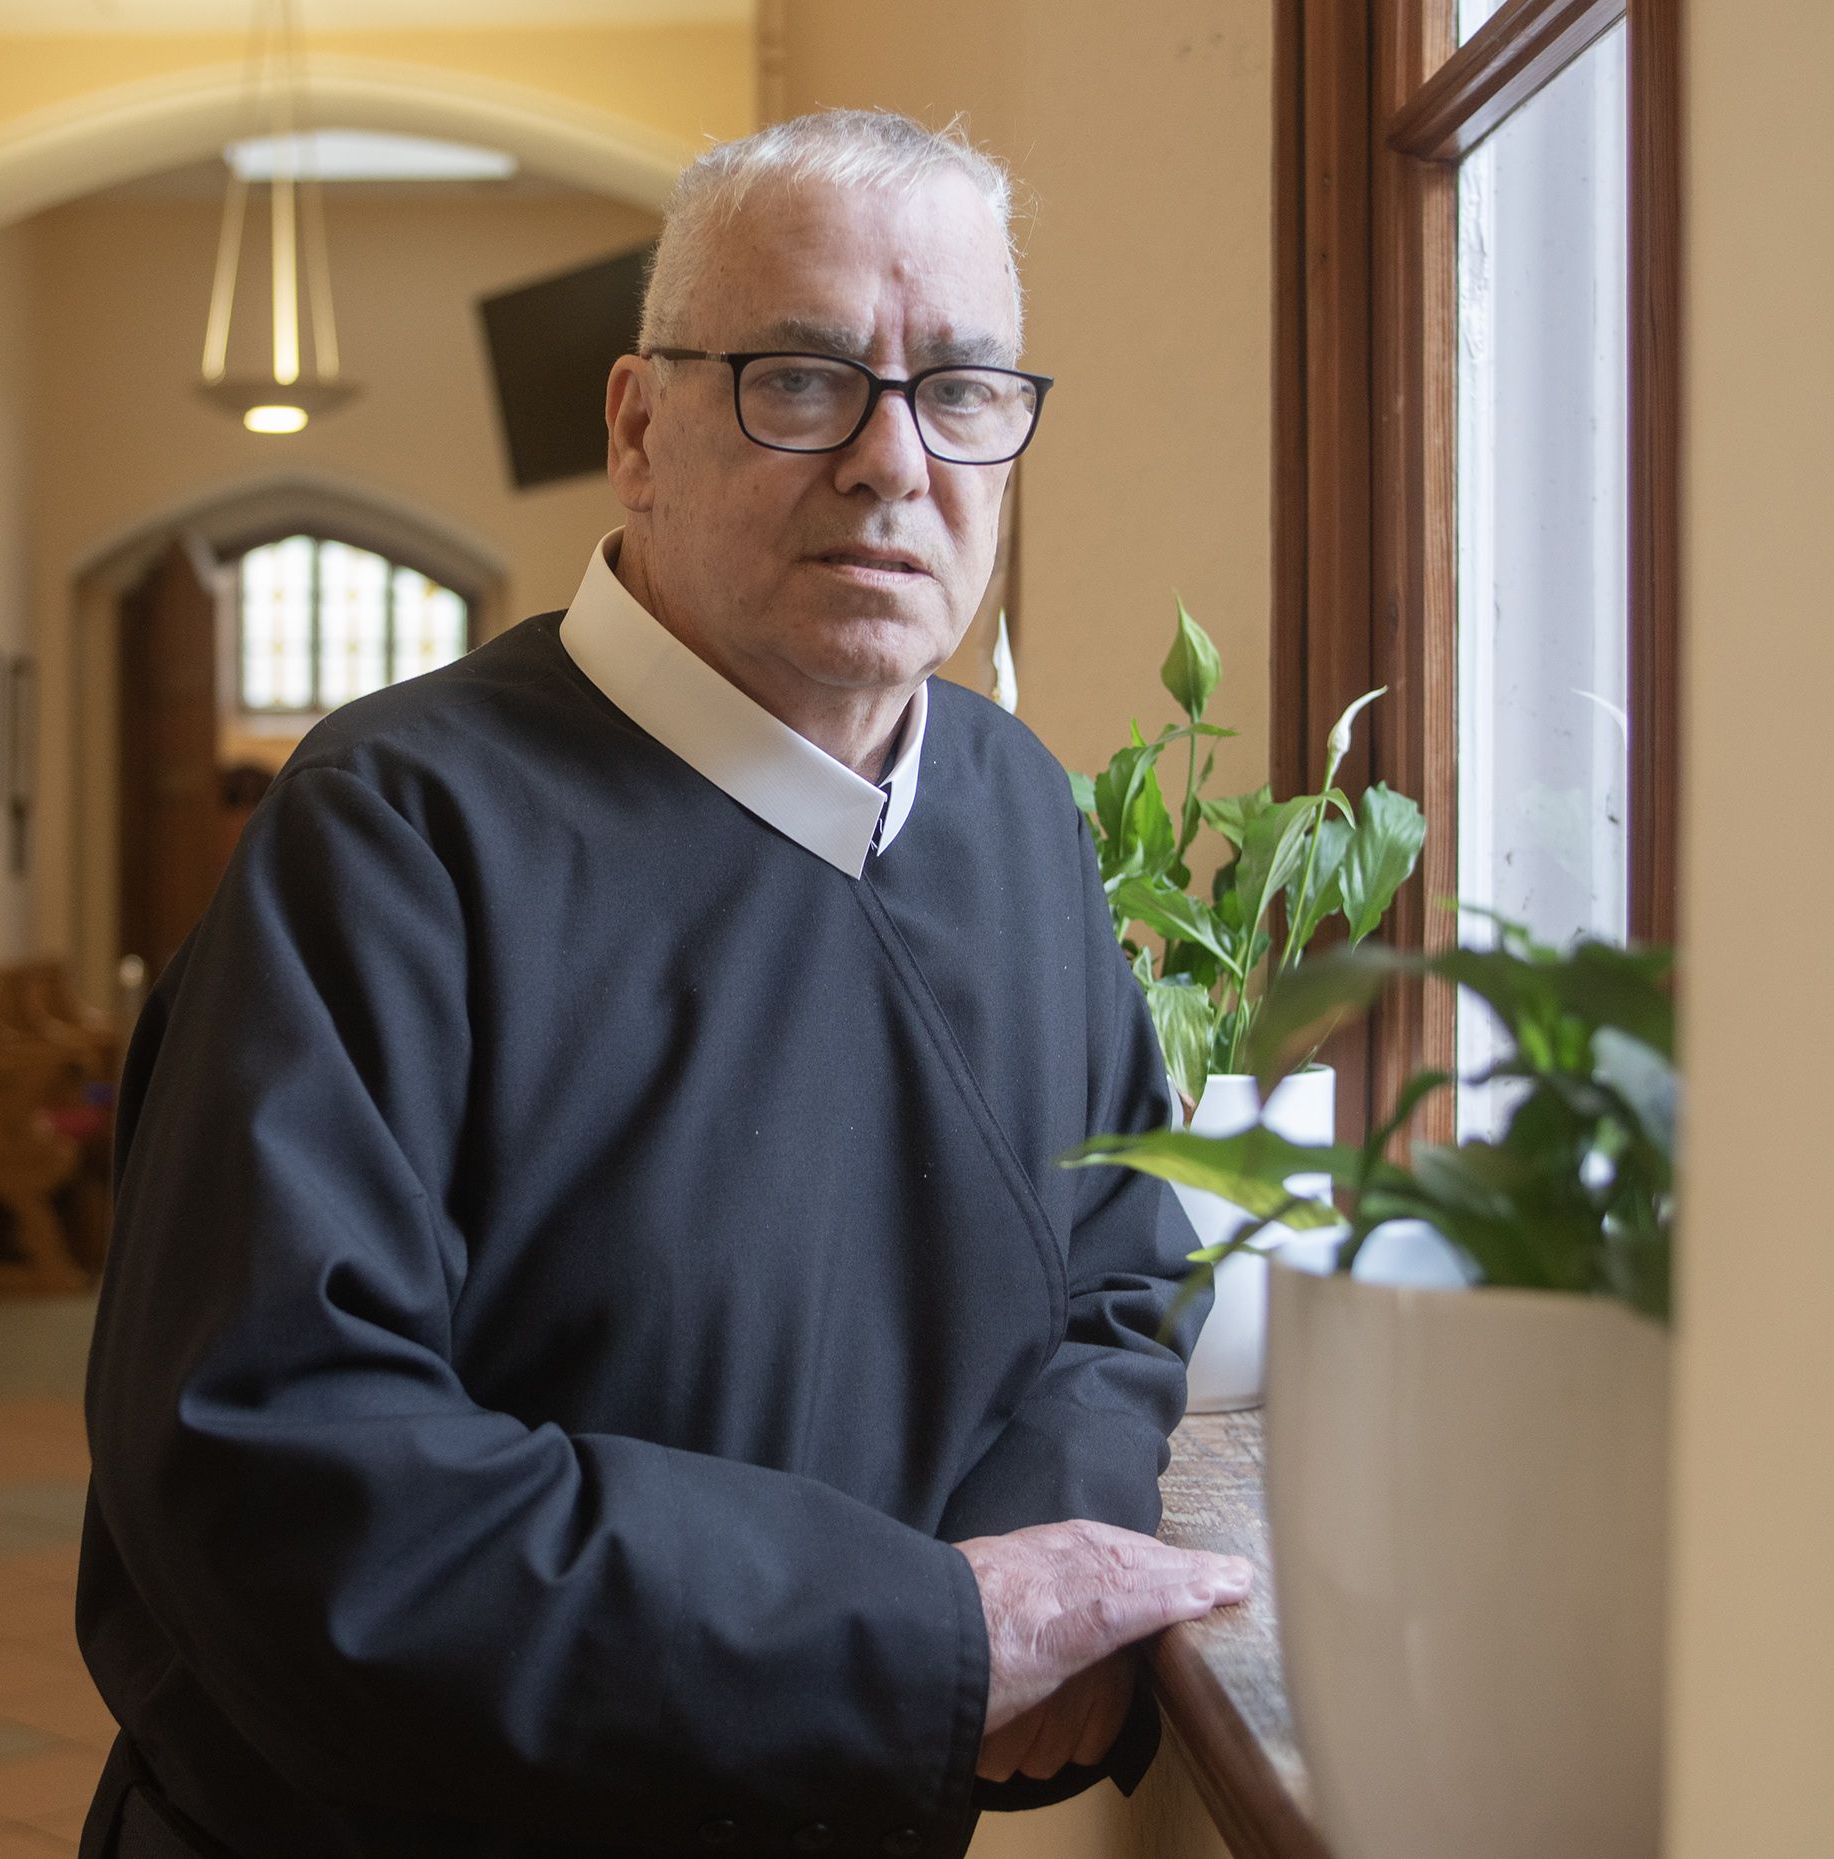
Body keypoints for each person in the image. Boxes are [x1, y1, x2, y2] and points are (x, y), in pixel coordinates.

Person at [75, 108, 1252, 1859]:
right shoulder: (395, 838)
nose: (891, 460)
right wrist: (936, 1637)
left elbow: (1122, 1259)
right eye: (802, 380)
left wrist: (1050, 1546)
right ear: (638, 428)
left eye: (963, 392)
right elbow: (287, 1479)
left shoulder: (1017, 810)